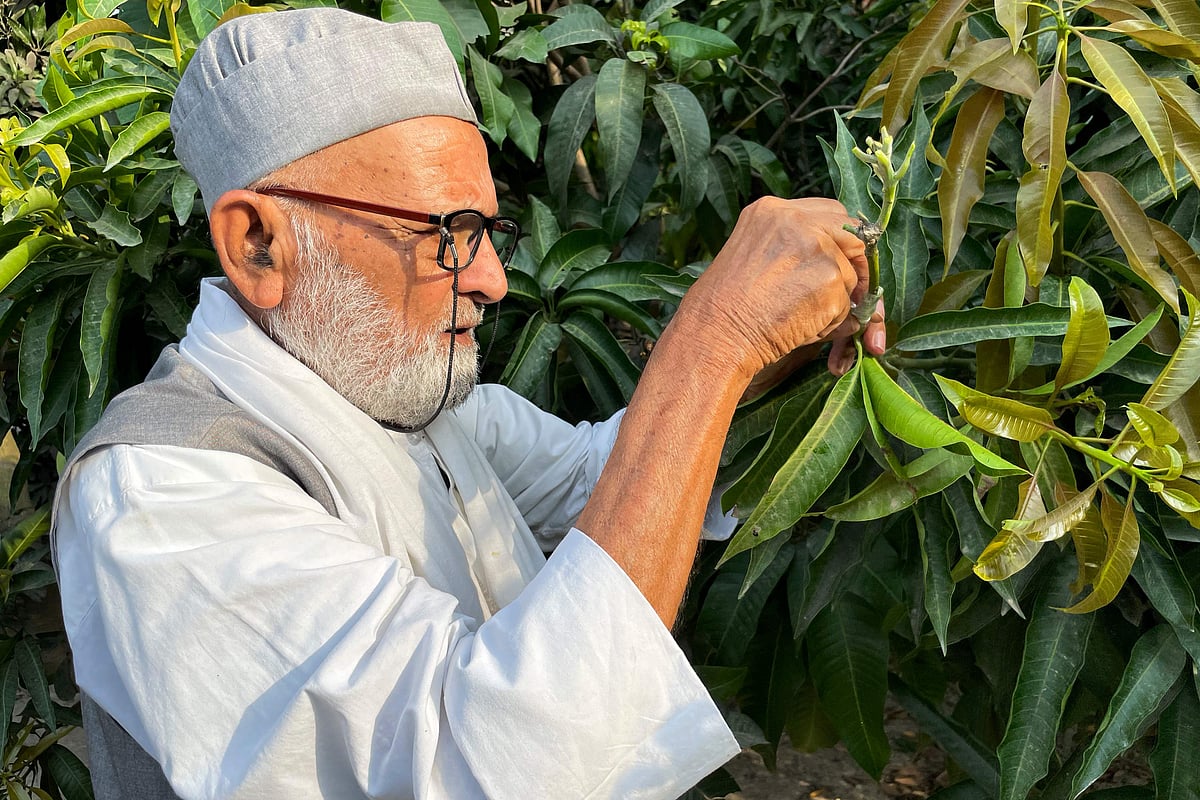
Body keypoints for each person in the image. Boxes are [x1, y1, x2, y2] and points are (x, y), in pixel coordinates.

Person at [51, 7, 887, 800]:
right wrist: (712, 339)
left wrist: (774, 365)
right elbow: (490, 770)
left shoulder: (418, 406)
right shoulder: (157, 497)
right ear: (259, 245)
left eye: (490, 230)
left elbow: (611, 479)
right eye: (446, 233)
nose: (490, 279)